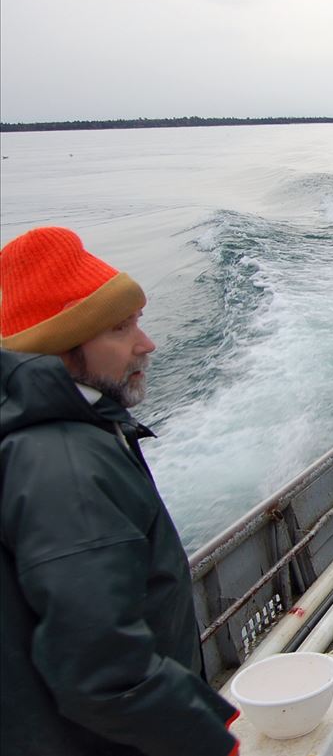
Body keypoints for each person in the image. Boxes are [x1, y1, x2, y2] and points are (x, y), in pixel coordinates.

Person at [0, 226, 239, 756]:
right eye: (119, 328)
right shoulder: (64, 464)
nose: (146, 343)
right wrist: (209, 740)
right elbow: (101, 670)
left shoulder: (65, 433)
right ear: (60, 349)